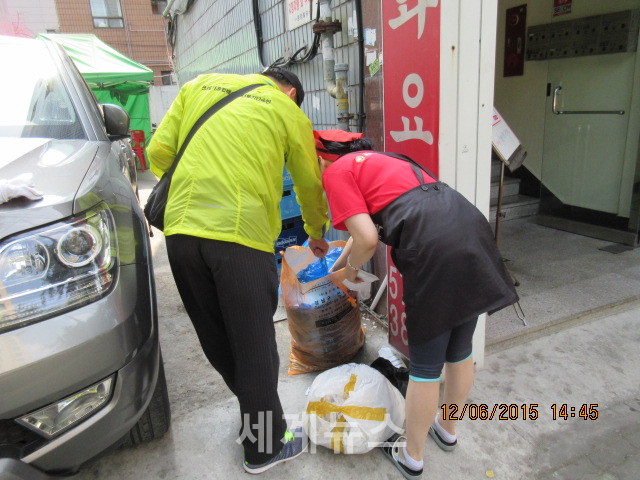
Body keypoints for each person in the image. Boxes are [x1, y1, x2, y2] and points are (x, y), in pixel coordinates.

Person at [146, 68, 329, 474]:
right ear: (291, 93)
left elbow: (157, 154)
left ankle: (255, 412)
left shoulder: (197, 87)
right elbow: (307, 182)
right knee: (255, 346)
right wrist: (316, 231)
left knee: (215, 334)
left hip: (180, 232)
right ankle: (264, 447)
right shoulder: (287, 110)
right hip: (241, 236)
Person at [314, 129, 518, 479]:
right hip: (468, 230)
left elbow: (367, 238)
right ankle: (448, 429)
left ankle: (412, 456)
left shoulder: (336, 172)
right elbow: (361, 232)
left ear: (322, 159)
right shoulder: (383, 160)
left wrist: (350, 273)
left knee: (425, 367)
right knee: (460, 350)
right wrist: (338, 268)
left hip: (433, 248)